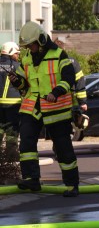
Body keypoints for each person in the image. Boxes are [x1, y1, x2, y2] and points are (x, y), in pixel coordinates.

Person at [9, 21, 80, 197]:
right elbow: (24, 84)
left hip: (56, 108)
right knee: (26, 141)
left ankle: (72, 185)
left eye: (31, 45)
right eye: (27, 46)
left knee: (63, 147)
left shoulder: (59, 55)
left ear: (40, 41)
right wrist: (16, 81)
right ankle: (31, 179)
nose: (29, 49)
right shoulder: (27, 58)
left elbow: (69, 77)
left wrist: (57, 92)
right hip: (32, 106)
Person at [54, 36, 88, 132]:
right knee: (65, 129)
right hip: (68, 101)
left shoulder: (47, 62)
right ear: (64, 47)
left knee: (55, 130)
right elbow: (80, 83)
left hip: (52, 101)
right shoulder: (72, 62)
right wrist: (83, 102)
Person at [0, 41, 22, 144]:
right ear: (11, 52)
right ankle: (11, 156)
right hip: (13, 105)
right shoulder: (18, 66)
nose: (18, 56)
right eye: (16, 53)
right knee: (12, 132)